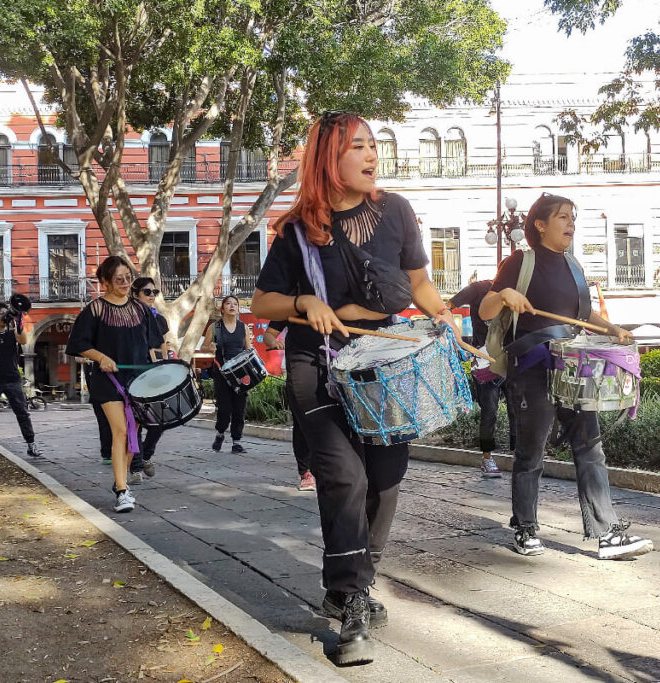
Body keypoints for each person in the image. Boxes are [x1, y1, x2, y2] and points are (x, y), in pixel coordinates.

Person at [251, 111, 455, 666]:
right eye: (358, 146)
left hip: (382, 361)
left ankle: (349, 578)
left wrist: (442, 314)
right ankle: (356, 600)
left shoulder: (397, 213)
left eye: (373, 145)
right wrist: (304, 302)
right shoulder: (297, 231)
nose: (371, 155)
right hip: (315, 363)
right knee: (345, 476)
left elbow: (418, 282)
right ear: (328, 158)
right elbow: (261, 304)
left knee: (386, 478)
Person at [478, 193, 653, 561]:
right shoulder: (519, 262)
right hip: (533, 368)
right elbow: (484, 310)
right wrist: (506, 293)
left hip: (574, 369)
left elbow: (585, 317)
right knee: (531, 452)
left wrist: (613, 329)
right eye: (562, 217)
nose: (570, 223)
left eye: (572, 217)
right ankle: (524, 528)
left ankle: (606, 532)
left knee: (591, 448)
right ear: (540, 225)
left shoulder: (573, 266)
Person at [68, 256, 162, 513]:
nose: (124, 282)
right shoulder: (95, 309)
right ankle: (122, 490)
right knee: (120, 430)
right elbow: (77, 344)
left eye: (127, 278)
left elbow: (152, 346)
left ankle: (120, 480)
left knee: (133, 433)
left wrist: (156, 373)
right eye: (118, 278)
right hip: (108, 381)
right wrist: (101, 357)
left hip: (139, 379)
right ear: (105, 280)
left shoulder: (141, 309)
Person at [450, 278, 516, 477]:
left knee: (517, 409)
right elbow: (448, 306)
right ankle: (487, 458)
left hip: (510, 358)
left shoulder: (515, 290)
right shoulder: (478, 289)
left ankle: (518, 454)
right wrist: (456, 336)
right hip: (484, 361)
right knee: (490, 412)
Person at [0, 302, 41, 458]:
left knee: (22, 412)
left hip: (12, 378)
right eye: (1, 313)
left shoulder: (13, 333)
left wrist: (18, 322)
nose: (5, 315)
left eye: (6, 312)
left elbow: (24, 341)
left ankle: (31, 444)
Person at [127, 276, 173, 483]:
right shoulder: (126, 317)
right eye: (148, 292)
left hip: (154, 372)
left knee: (160, 420)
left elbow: (162, 346)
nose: (152, 296)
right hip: (132, 372)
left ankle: (146, 455)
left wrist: (166, 365)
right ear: (135, 294)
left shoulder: (159, 319)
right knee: (134, 421)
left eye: (155, 292)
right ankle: (136, 469)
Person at [265, 320, 315, 491]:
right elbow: (269, 334)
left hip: (332, 367)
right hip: (299, 370)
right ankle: (305, 472)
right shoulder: (292, 300)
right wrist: (273, 342)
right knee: (302, 423)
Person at [201, 295, 252, 455]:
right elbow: (204, 347)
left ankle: (236, 442)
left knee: (239, 408)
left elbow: (248, 349)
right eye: (228, 303)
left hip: (240, 374)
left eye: (235, 304)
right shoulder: (215, 328)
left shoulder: (243, 327)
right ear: (222, 308)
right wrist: (211, 348)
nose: (232, 306)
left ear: (238, 308)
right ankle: (220, 433)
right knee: (224, 408)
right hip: (222, 373)